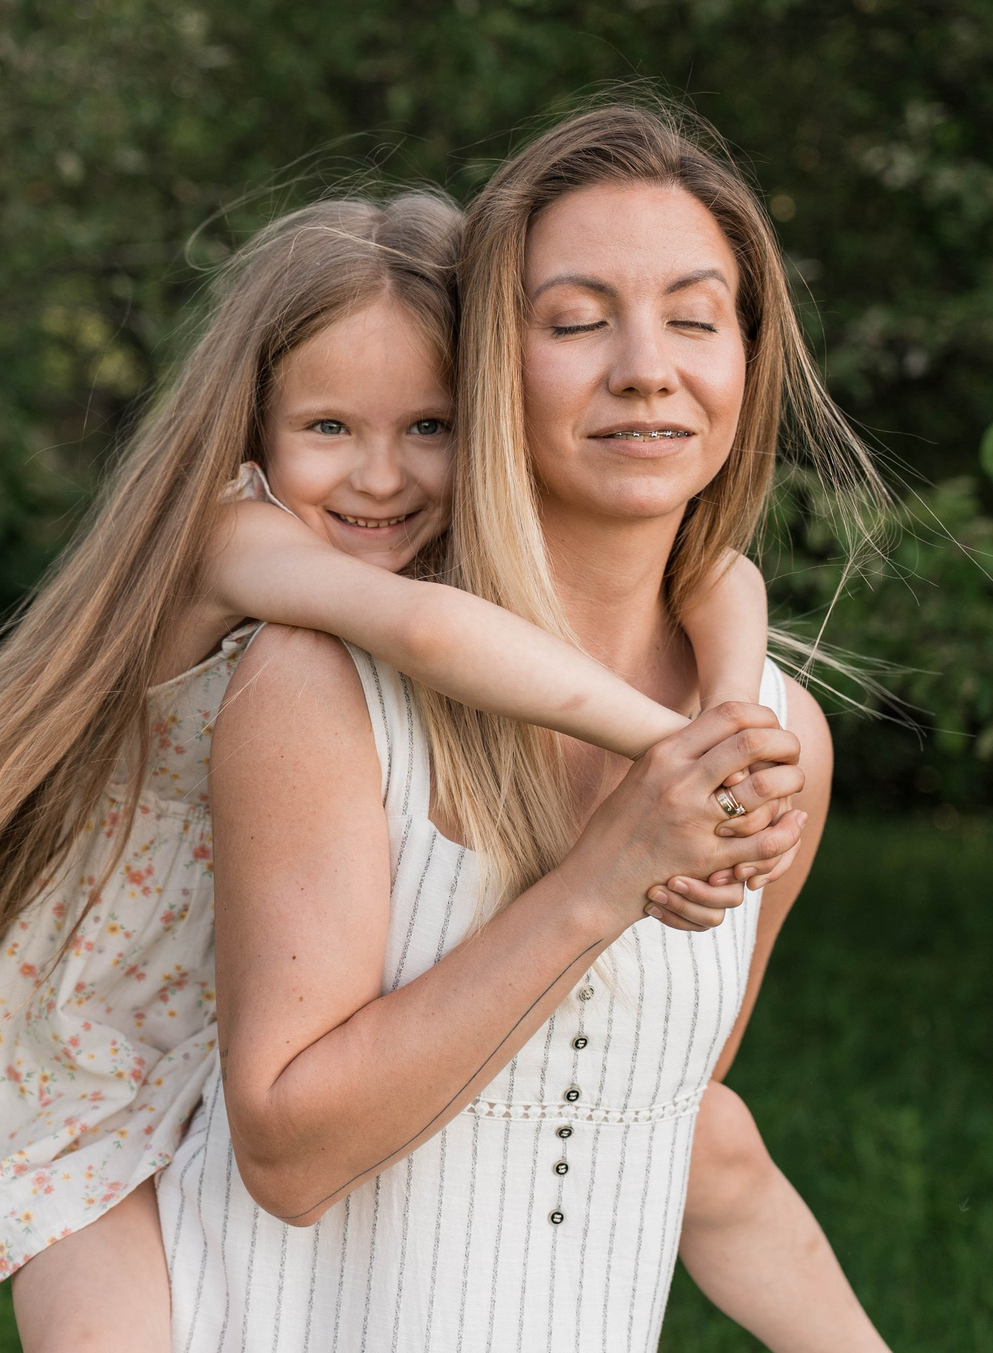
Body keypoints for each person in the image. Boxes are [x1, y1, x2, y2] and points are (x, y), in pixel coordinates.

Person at [0, 193, 796, 1301]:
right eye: (329, 425)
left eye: (429, 425)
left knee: (718, 1137)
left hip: (249, 1035)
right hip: (100, 1083)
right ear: (254, 429)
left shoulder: (412, 580)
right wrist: (675, 759)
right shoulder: (241, 544)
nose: (382, 474)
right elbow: (427, 628)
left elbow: (720, 572)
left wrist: (728, 712)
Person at [157, 103, 890, 1351]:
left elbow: (679, 1125)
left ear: (748, 362)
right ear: (490, 360)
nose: (644, 365)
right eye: (577, 320)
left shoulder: (776, 738)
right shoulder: (323, 686)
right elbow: (287, 1152)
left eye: (694, 317)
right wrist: (603, 880)